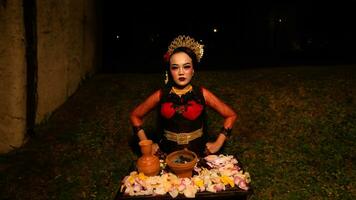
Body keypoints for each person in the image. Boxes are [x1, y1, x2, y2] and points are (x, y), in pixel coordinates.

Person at [130, 35, 237, 157]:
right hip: (166, 154)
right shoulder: (161, 94)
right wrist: (147, 143)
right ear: (170, 71)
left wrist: (218, 143)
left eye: (186, 67)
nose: (181, 72)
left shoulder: (202, 94)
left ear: (193, 70)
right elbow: (135, 115)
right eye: (175, 68)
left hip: (198, 153)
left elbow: (230, 115)